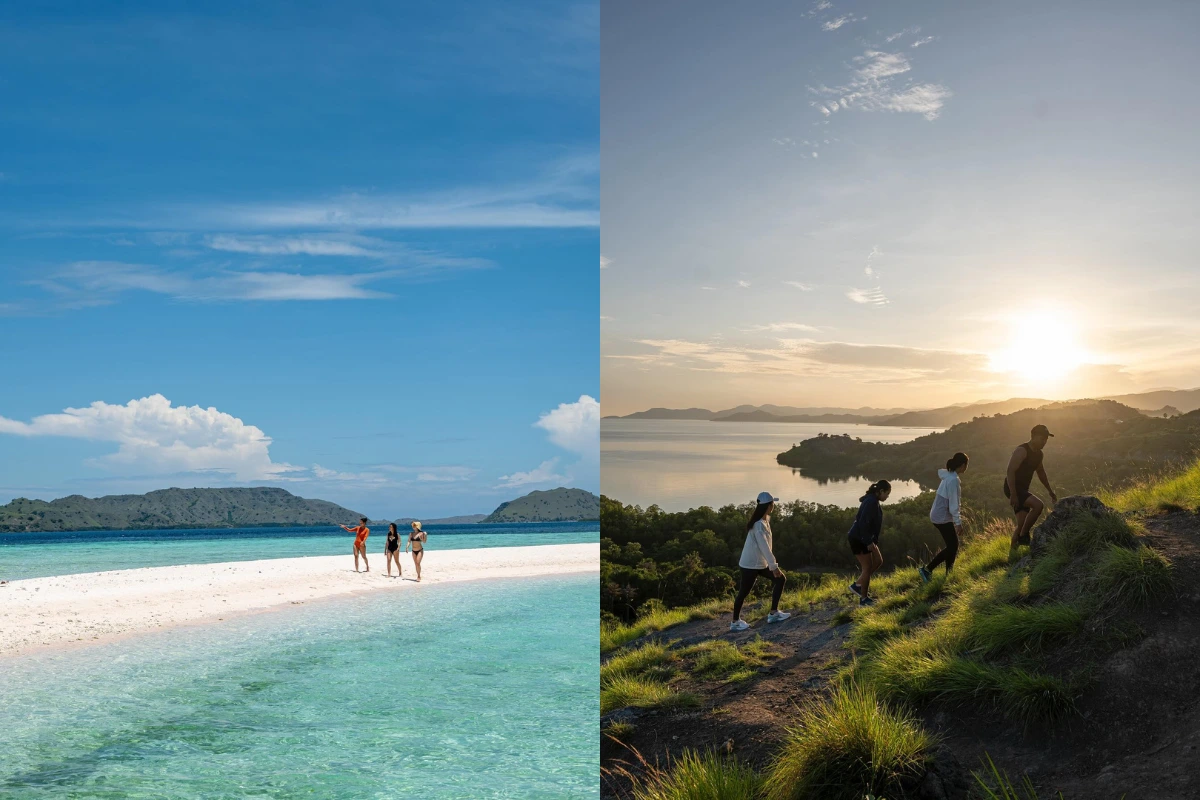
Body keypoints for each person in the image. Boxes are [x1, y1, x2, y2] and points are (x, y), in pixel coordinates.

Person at [730, 491, 790, 631]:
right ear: (769, 506)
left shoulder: (764, 521)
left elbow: (765, 547)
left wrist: (770, 565)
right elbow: (764, 547)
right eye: (772, 503)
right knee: (744, 592)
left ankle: (774, 613)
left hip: (760, 563)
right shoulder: (758, 526)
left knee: (780, 580)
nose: (773, 505)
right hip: (750, 565)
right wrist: (774, 566)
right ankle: (735, 622)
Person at [1004, 424, 1058, 550]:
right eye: (1042, 438)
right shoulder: (1022, 450)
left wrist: (1050, 491)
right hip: (1013, 488)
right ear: (1033, 436)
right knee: (1038, 505)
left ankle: (1012, 553)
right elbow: (1010, 471)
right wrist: (1013, 494)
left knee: (1022, 523)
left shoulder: (1039, 454)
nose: (1044, 442)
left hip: (1023, 490)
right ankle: (1023, 536)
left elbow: (1041, 472)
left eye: (1046, 439)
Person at [920, 453, 968, 583]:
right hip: (941, 516)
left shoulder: (948, 476)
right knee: (953, 546)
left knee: (952, 545)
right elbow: (954, 505)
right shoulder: (953, 480)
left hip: (938, 514)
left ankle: (949, 574)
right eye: (966, 465)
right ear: (963, 465)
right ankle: (927, 570)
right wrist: (958, 523)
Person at [847, 480, 891, 606]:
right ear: (881, 491)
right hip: (859, 539)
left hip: (865, 538)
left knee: (878, 561)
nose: (887, 497)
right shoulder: (871, 502)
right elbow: (862, 523)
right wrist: (868, 541)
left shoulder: (873, 500)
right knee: (867, 568)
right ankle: (863, 599)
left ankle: (857, 585)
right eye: (887, 494)